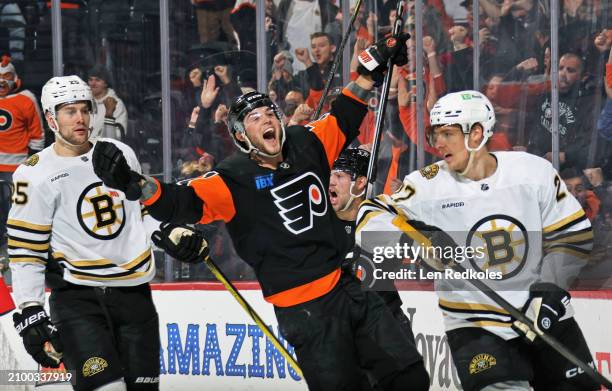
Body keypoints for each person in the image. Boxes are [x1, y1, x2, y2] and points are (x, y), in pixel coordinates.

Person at [92, 35, 431, 390]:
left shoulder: (306, 141)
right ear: (240, 134)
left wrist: (370, 69)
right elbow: (178, 202)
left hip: (349, 287)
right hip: (305, 310)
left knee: (409, 377)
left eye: (271, 112)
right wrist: (133, 183)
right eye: (256, 117)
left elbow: (345, 114)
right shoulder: (231, 178)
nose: (268, 119)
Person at [355, 90, 599, 390]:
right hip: (476, 328)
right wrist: (415, 237)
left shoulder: (532, 172)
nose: (438, 143)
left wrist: (550, 290)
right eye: (435, 134)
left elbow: (573, 234)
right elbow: (368, 216)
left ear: (477, 133)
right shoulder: (426, 184)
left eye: (447, 133)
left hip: (545, 314)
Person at [8, 76, 162, 391]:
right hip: (78, 301)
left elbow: (141, 213)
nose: (80, 118)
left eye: (84, 109)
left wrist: (168, 231)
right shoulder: (32, 173)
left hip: (133, 296)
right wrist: (30, 309)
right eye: (69, 111)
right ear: (51, 118)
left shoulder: (119, 152)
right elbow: (26, 250)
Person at [329, 147, 420, 350]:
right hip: (341, 332)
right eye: (330, 175)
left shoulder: (382, 221)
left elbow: (422, 255)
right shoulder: (318, 226)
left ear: (360, 183)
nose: (331, 182)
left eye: (339, 175)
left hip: (387, 329)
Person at [0, 55, 44, 245]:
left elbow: (38, 133)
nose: (2, 81)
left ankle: (20, 241)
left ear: (15, 78)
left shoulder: (26, 99)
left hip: (18, 167)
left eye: (6, 76)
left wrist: (32, 164)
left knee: (20, 207)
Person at [87, 65, 128, 140]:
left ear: (106, 83)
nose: (93, 83)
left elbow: (118, 136)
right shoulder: (85, 101)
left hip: (104, 149)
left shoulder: (117, 104)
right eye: (90, 80)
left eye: (97, 80)